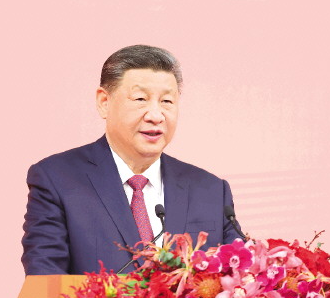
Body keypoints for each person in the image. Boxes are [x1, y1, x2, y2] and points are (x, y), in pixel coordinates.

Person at [21, 45, 242, 275]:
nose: (156, 116)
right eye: (140, 99)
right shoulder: (57, 180)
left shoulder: (211, 190)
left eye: (167, 101)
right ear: (104, 102)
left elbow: (242, 276)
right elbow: (45, 279)